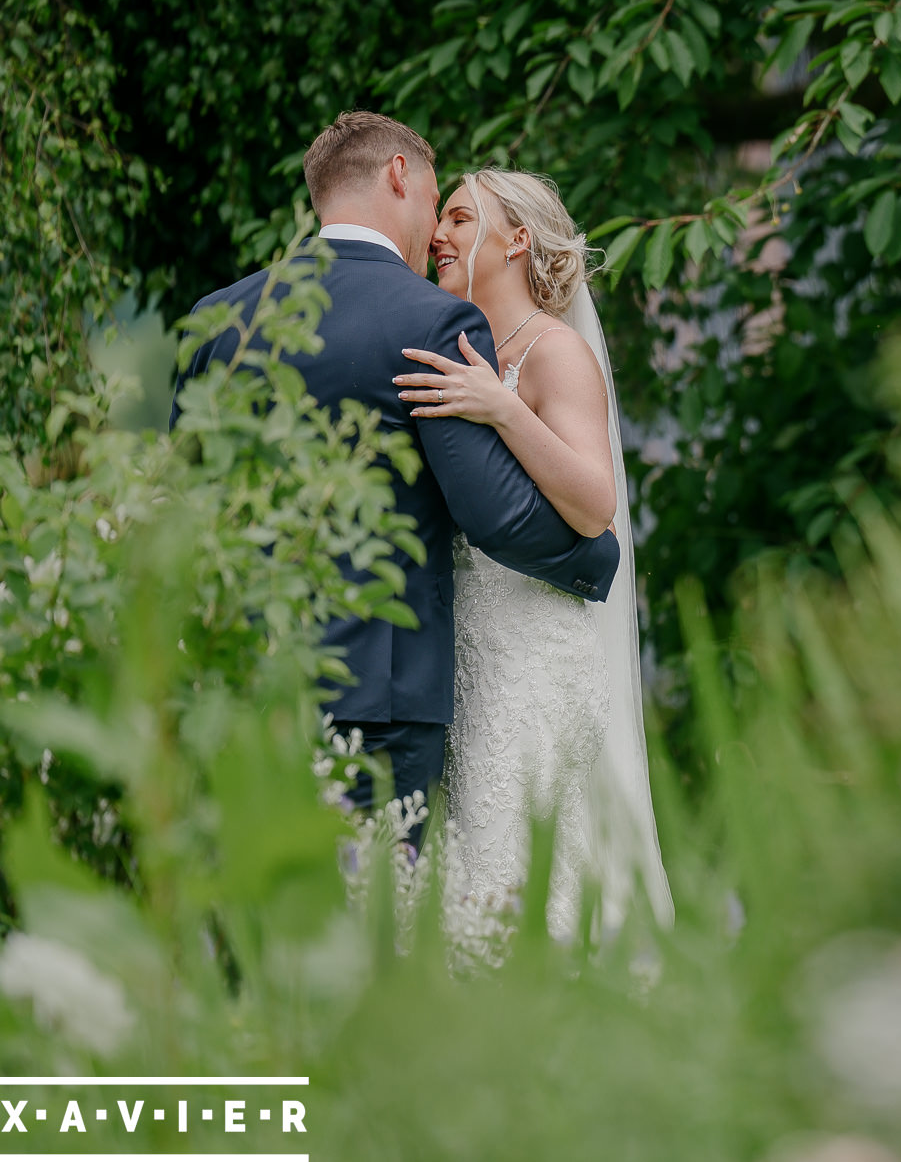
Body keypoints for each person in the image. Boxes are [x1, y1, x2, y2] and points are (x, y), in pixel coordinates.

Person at [176, 112, 621, 854]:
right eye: (437, 203)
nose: (437, 234)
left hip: (240, 684)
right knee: (374, 931)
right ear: (397, 177)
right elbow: (495, 517)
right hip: (380, 694)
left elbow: (188, 507)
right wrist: (596, 558)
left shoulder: (217, 321)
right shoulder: (430, 319)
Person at [398, 167, 672, 943]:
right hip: (466, 646)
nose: (439, 234)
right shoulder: (463, 340)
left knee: (522, 853)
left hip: (534, 650)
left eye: (459, 217)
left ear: (517, 239)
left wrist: (500, 407)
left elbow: (595, 502)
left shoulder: (554, 354)